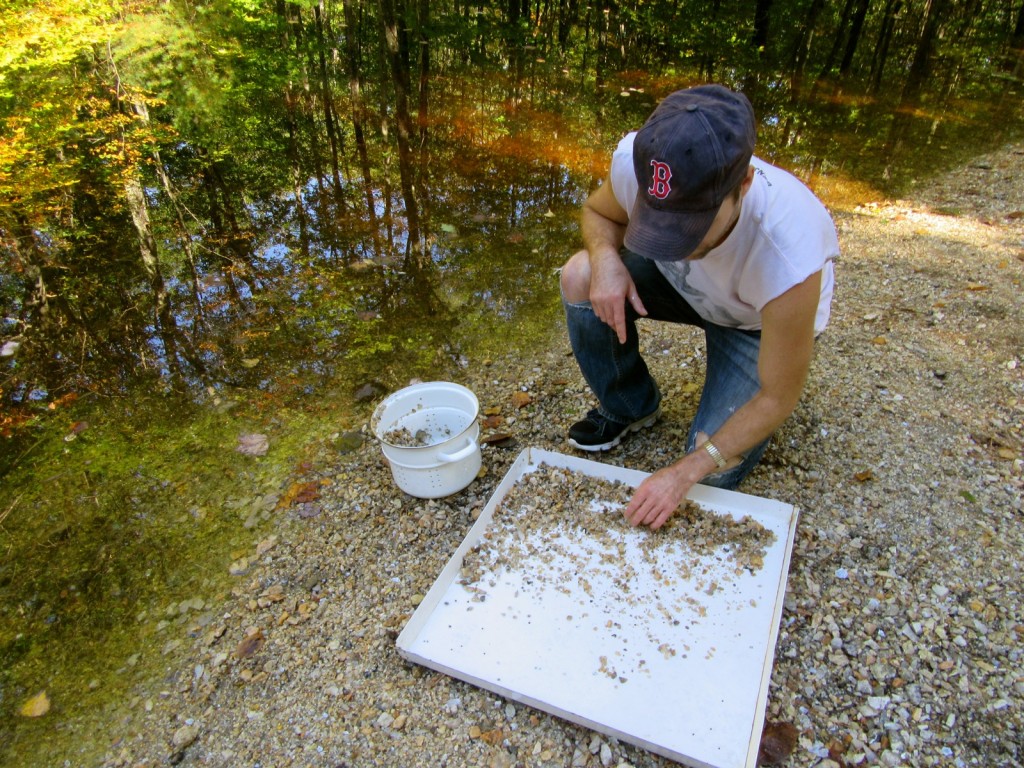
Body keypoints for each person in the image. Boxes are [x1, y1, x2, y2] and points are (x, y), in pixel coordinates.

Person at [560, 84, 839, 530]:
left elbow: (778, 396)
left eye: (688, 225)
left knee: (713, 471)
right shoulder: (643, 159)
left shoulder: (790, 250)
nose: (673, 243)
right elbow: (599, 213)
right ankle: (630, 406)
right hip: (689, 290)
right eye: (659, 221)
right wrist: (606, 259)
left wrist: (685, 471)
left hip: (754, 323)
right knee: (580, 275)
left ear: (744, 184)